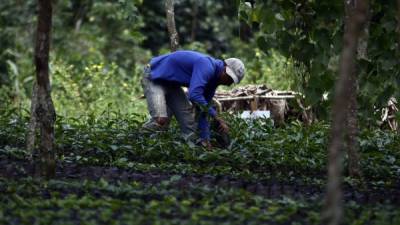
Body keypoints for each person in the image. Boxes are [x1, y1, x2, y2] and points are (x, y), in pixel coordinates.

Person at [141, 50, 245, 148]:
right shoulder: (207, 66)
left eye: (232, 81)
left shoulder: (213, 82)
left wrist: (205, 139)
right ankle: (137, 139)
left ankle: (190, 155)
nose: (229, 83)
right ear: (224, 68)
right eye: (230, 78)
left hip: (172, 85)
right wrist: (216, 117)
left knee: (189, 124)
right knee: (161, 120)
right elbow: (194, 95)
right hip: (153, 76)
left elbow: (203, 110)